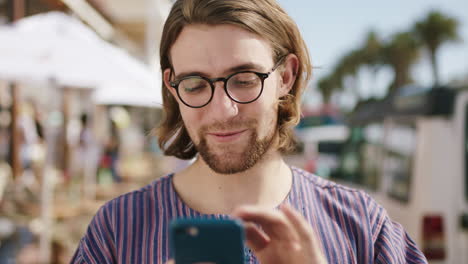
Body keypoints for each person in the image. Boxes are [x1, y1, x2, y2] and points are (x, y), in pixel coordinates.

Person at [71, 0, 428, 263]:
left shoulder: (362, 226)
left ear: (285, 77)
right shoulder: (116, 231)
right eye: (195, 84)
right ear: (172, 86)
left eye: (244, 80)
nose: (222, 110)